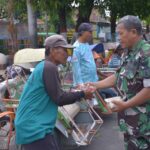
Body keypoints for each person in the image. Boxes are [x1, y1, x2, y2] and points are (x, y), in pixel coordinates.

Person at [15, 35, 94, 150]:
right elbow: (59, 98)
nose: (67, 54)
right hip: (34, 127)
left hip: (33, 124)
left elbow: (57, 94)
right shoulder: (49, 67)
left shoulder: (45, 66)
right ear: (52, 50)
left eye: (69, 51)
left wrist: (78, 92)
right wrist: (83, 94)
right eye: (65, 50)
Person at [89, 15, 150, 150]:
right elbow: (118, 76)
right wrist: (95, 85)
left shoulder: (146, 53)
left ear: (134, 32)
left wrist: (126, 104)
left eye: (121, 33)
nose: (118, 37)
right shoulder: (127, 53)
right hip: (130, 123)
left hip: (144, 124)